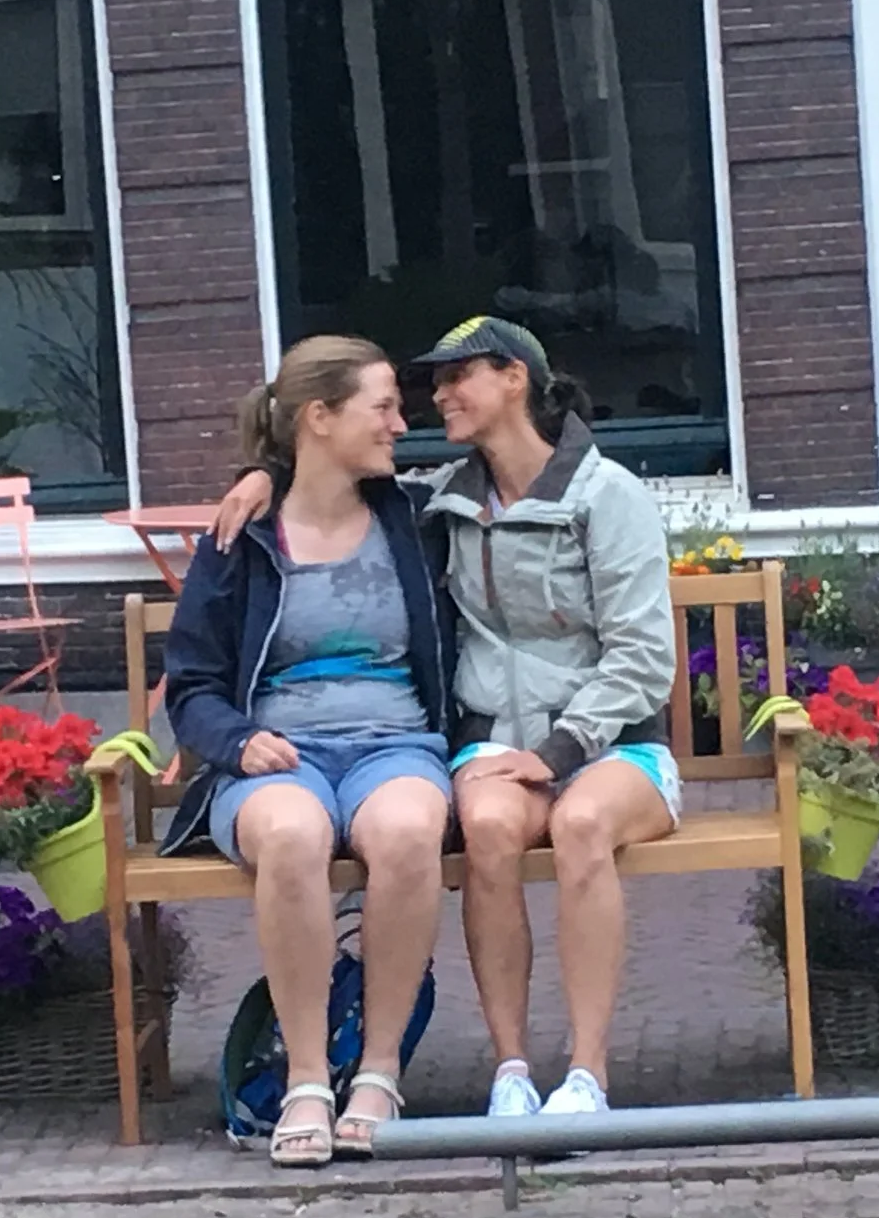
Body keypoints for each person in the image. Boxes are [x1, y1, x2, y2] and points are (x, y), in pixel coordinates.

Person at [216, 316, 679, 1122]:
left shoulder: (609, 497)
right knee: (488, 825)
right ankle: (510, 1071)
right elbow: (327, 470)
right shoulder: (444, 501)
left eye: (456, 378)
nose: (436, 398)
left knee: (580, 823)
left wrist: (562, 746)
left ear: (514, 380)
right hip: (499, 744)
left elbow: (645, 658)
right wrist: (265, 471)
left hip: (615, 745)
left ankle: (587, 1076)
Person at [162, 335, 457, 1168]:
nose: (404, 423)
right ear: (319, 418)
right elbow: (191, 682)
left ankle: (378, 1071)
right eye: (385, 407)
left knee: (405, 832)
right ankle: (303, 1078)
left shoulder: (413, 515)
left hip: (395, 742)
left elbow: (506, 477)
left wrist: (268, 467)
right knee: (291, 836)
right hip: (275, 754)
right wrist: (236, 739)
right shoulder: (245, 536)